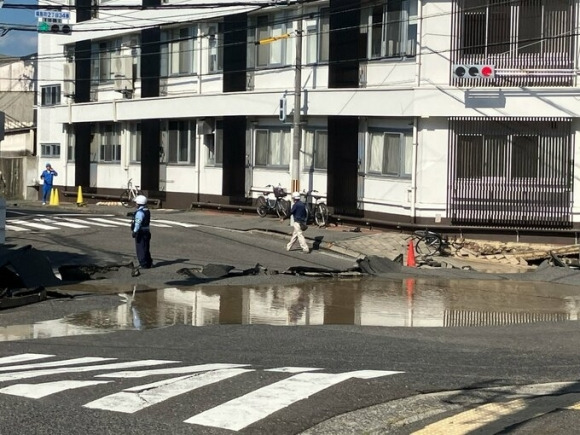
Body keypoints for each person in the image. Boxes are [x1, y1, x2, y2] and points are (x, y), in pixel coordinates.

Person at [131, 195, 153, 269]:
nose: (135, 204)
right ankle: (148, 262)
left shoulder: (140, 213)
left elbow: (138, 223)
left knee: (140, 248)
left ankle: (143, 263)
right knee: (146, 247)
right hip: (147, 232)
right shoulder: (147, 210)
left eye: (136, 203)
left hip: (141, 232)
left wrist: (134, 231)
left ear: (139, 203)